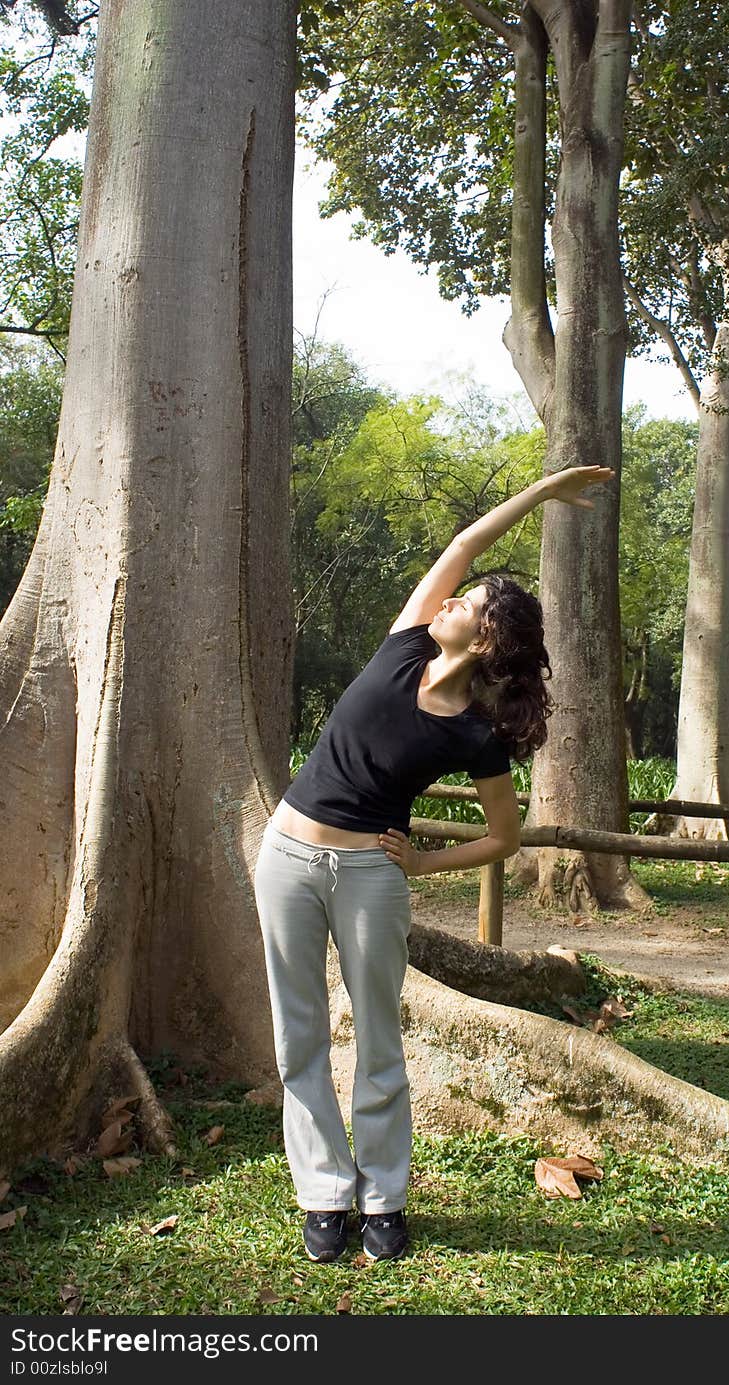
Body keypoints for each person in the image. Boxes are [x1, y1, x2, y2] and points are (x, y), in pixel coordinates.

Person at [253, 464, 613, 1263]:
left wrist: (420, 864)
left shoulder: (475, 736)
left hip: (373, 881)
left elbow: (505, 837)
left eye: (470, 603)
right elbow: (465, 540)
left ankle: (383, 1200)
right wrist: (546, 491)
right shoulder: (406, 643)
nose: (451, 599)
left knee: (379, 1038)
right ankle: (323, 1194)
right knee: (298, 1038)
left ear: (483, 638)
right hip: (285, 856)